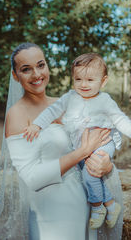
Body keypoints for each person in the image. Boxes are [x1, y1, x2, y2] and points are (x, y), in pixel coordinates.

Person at [0, 43, 123, 240]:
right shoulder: (17, 114)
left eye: (41, 65)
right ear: (15, 75)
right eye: (26, 69)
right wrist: (81, 152)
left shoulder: (67, 103)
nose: (36, 74)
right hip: (51, 214)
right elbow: (32, 177)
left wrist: (105, 165)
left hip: (87, 204)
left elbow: (98, 142)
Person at [24, 52, 128, 230]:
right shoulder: (70, 98)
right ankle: (110, 203)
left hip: (103, 141)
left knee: (90, 172)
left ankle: (97, 207)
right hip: (81, 145)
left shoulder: (105, 101)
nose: (83, 84)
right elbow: (52, 111)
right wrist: (37, 125)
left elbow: (120, 120)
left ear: (103, 81)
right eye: (78, 79)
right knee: (85, 174)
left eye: (90, 80)